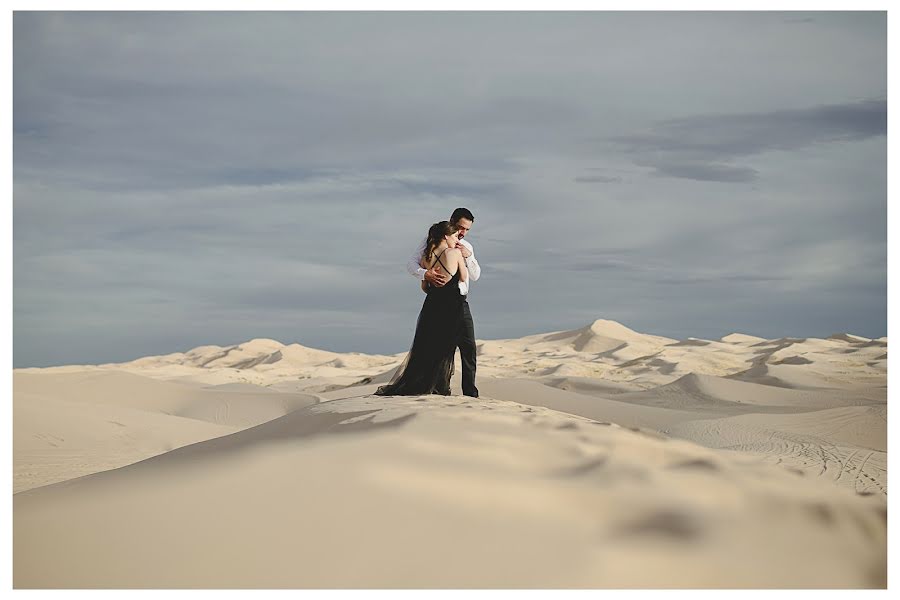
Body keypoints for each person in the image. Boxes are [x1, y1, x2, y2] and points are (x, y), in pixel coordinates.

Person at [376, 221, 469, 396]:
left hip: (432, 303)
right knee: (445, 345)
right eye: (455, 236)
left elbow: (425, 287)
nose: (457, 240)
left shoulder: (426, 257)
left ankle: (423, 383)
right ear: (446, 236)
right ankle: (440, 386)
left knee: (428, 343)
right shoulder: (455, 253)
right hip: (451, 303)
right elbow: (464, 277)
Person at [405, 208, 480, 397]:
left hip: (461, 301)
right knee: (441, 347)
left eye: (467, 230)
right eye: (460, 227)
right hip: (439, 301)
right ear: (452, 222)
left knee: (468, 346)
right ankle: (440, 389)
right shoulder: (430, 242)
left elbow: (475, 275)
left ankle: (470, 392)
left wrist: (468, 256)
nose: (463, 233)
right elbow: (411, 264)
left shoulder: (467, 247)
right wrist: (426, 274)